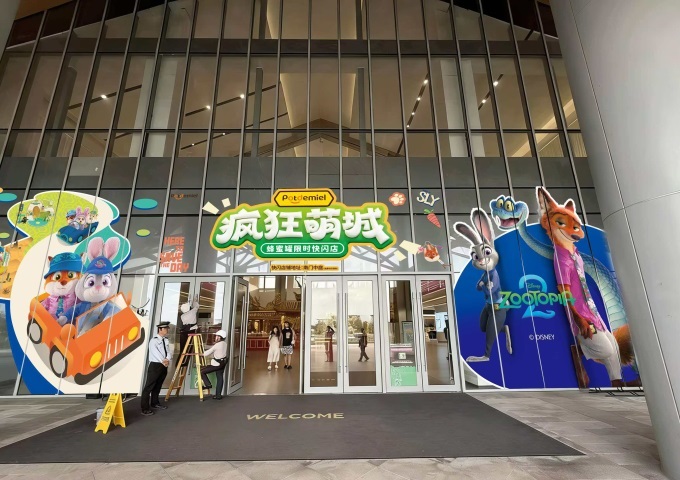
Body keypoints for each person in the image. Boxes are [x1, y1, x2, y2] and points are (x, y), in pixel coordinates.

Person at [141, 321, 172, 416]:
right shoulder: (154, 340)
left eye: (167, 328)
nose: (167, 330)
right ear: (160, 329)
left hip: (163, 365)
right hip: (155, 365)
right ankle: (145, 408)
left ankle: (155, 403)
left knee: (158, 385)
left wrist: (167, 359)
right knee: (149, 387)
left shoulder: (166, 340)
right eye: (165, 328)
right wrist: (164, 361)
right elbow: (155, 353)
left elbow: (168, 352)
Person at [200, 330, 228, 400]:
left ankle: (208, 385)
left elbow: (207, 353)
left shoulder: (217, 345)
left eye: (216, 336)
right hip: (223, 362)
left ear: (219, 337)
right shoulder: (224, 344)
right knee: (220, 377)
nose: (215, 337)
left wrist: (199, 353)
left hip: (217, 364)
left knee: (202, 372)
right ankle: (218, 395)